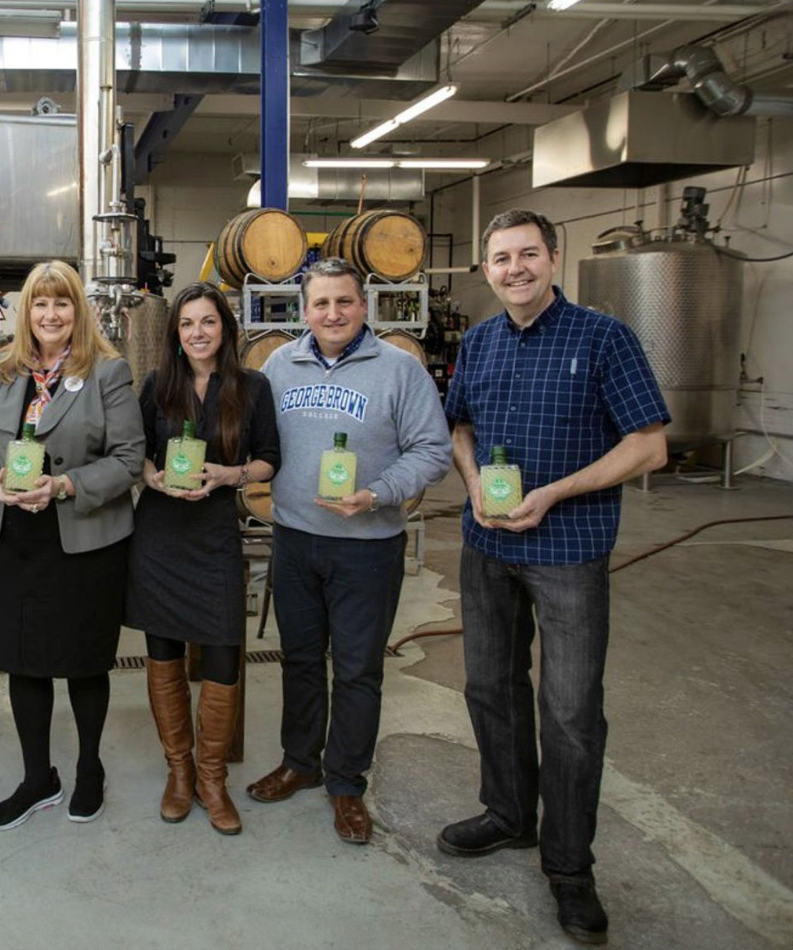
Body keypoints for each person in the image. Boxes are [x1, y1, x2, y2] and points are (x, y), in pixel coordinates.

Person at [440, 209, 669, 946]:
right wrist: (473, 481)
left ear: (554, 257)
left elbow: (649, 447)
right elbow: (460, 426)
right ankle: (509, 815)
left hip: (568, 547)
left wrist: (554, 494)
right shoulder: (477, 340)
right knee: (490, 687)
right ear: (487, 269)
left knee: (570, 713)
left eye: (528, 254)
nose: (515, 269)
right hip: (485, 545)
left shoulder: (605, 338)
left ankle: (569, 866)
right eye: (501, 258)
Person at [252, 258, 450, 845]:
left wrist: (377, 494)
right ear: (304, 310)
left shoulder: (399, 371)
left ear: (364, 306)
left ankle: (346, 782)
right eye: (320, 304)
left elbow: (432, 451)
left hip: (369, 546)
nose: (332, 314)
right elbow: (261, 442)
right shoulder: (278, 364)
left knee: (359, 669)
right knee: (301, 659)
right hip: (294, 539)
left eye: (344, 302)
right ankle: (301, 762)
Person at [0, 260, 145, 830]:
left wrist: (63, 485)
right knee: (24, 663)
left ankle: (90, 770)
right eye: (40, 304)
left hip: (82, 539)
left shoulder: (108, 371)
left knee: (85, 662)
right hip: (15, 538)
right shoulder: (2, 370)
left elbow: (129, 459)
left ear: (78, 310)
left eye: (62, 303)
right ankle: (38, 777)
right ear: (24, 313)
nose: (51, 315)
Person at [126, 282, 280, 836]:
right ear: (175, 333)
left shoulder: (252, 387)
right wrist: (155, 478)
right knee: (163, 656)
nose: (197, 332)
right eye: (187, 323)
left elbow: (269, 461)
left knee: (222, 655)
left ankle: (212, 777)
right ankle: (180, 772)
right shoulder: (155, 385)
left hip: (215, 535)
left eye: (208, 322)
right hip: (160, 537)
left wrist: (229, 474)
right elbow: (135, 452)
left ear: (225, 329)